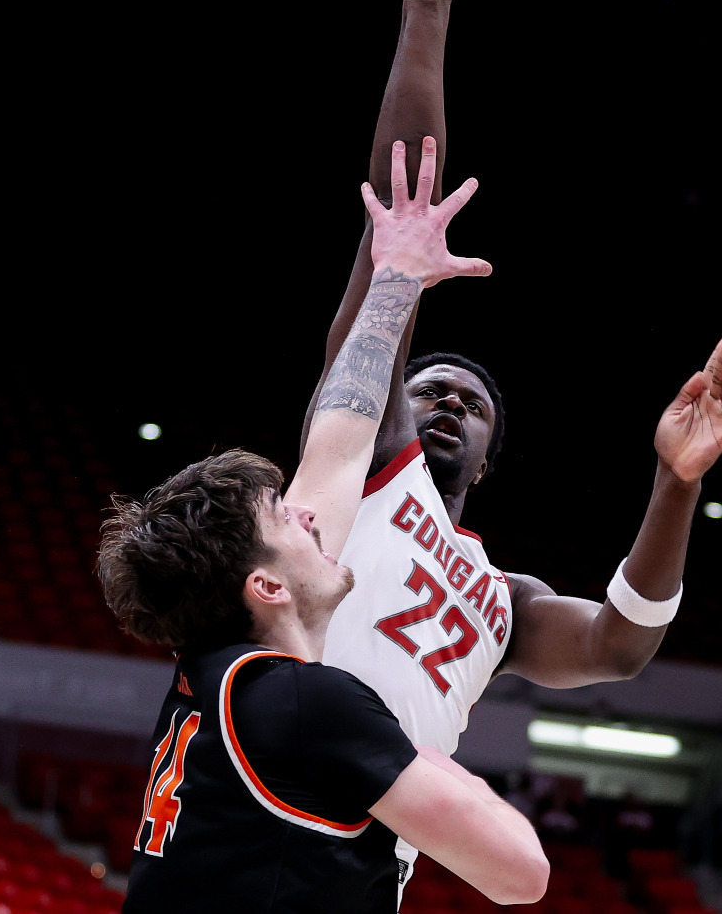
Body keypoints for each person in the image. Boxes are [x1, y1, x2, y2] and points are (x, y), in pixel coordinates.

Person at [312, 0, 722, 890]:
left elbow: (615, 646)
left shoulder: (499, 598)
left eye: (470, 406)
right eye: (429, 387)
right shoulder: (362, 466)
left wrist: (675, 485)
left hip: (367, 872)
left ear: (489, 450)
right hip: (272, 796)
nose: (445, 404)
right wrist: (424, 9)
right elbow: (396, 208)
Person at [99, 161, 547, 910]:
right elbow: (521, 871)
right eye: (289, 519)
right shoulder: (308, 703)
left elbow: (341, 436)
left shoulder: (217, 671)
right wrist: (445, 768)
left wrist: (397, 277)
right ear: (266, 584)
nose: (311, 514)